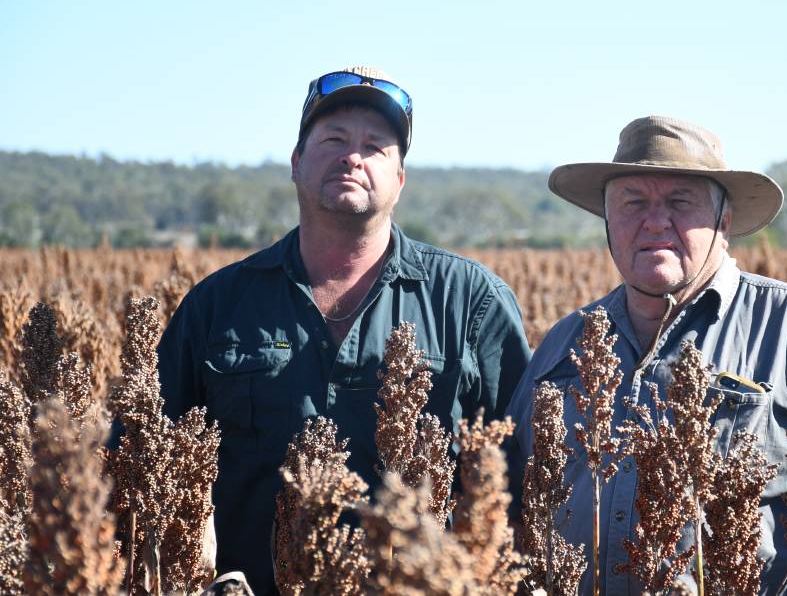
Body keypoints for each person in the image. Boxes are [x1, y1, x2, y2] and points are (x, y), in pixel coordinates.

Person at [158, 66, 531, 594]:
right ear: (296, 162)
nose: (352, 156)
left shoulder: (470, 301)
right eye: (333, 138)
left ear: (399, 180)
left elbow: (523, 480)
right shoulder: (217, 306)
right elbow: (149, 467)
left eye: (375, 147)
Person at [506, 115, 787, 595]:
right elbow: (506, 504)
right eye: (632, 202)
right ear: (608, 220)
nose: (655, 220)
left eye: (680, 202)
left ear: (724, 221)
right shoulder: (566, 343)